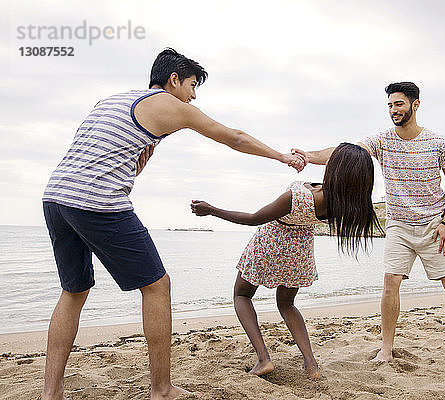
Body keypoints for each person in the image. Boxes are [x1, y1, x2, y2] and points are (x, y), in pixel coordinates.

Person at [40, 48, 305, 400]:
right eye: (192, 85)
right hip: (95, 199)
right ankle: (161, 389)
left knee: (73, 292)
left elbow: (103, 157)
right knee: (157, 286)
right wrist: (282, 156)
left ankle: (51, 392)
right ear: (174, 80)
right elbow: (234, 137)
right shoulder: (167, 103)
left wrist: (136, 166)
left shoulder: (112, 100)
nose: (193, 96)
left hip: (56, 196)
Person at [293, 82, 445, 364]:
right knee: (390, 282)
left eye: (399, 104)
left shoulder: (440, 143)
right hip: (399, 225)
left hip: (434, 226)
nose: (393, 110)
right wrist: (308, 156)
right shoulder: (383, 140)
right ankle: (386, 349)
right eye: (390, 105)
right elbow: (345, 152)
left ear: (415, 105)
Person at [190, 143, 381, 380]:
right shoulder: (344, 205)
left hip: (270, 245)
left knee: (242, 295)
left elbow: (253, 219)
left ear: (336, 169)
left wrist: (212, 210)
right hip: (299, 253)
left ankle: (263, 359)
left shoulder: (298, 196)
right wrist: (305, 158)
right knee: (287, 305)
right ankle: (311, 365)